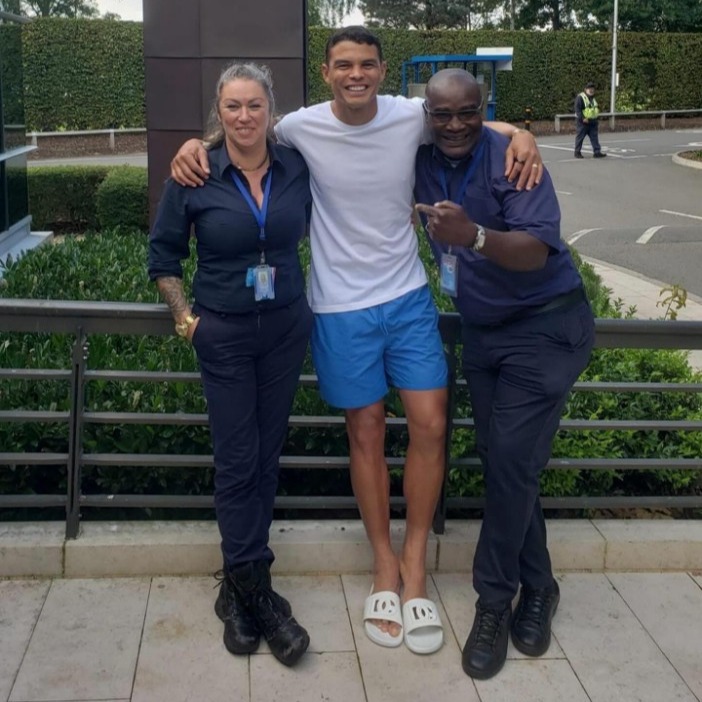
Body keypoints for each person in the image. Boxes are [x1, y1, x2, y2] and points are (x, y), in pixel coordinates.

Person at [170, 26, 544, 656]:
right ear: (325, 72)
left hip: (407, 299)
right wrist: (193, 145)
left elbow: (471, 123)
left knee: (430, 424)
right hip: (338, 307)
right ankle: (383, 566)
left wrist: (524, 134)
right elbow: (244, 126)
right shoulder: (303, 126)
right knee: (365, 432)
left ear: (381, 69)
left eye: (367, 64)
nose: (356, 75)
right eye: (343, 65)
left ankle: (416, 563)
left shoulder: (409, 116)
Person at [414, 68, 595, 679]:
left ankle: (494, 603)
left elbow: (538, 249)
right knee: (506, 462)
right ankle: (540, 586)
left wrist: (477, 235)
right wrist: (206, 141)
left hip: (545, 328)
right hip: (483, 333)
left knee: (510, 460)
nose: (456, 125)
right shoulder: (422, 149)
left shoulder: (514, 161)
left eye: (470, 112)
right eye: (443, 115)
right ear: (427, 115)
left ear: (483, 108)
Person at [147, 62, 312, 667]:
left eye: (254, 106)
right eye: (232, 107)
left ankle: (239, 592)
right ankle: (258, 593)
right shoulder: (194, 174)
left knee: (265, 459)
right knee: (238, 459)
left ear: (272, 111)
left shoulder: (297, 165)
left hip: (287, 329)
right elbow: (163, 257)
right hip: (225, 334)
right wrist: (186, 319)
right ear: (219, 113)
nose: (244, 117)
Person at [574, 81, 606, 158]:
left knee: (594, 138)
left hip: (592, 122)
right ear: (585, 89)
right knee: (580, 137)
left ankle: (597, 152)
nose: (591, 90)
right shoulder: (580, 97)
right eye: (589, 88)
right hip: (583, 122)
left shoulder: (592, 98)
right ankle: (577, 152)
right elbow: (577, 109)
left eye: (592, 88)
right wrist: (583, 118)